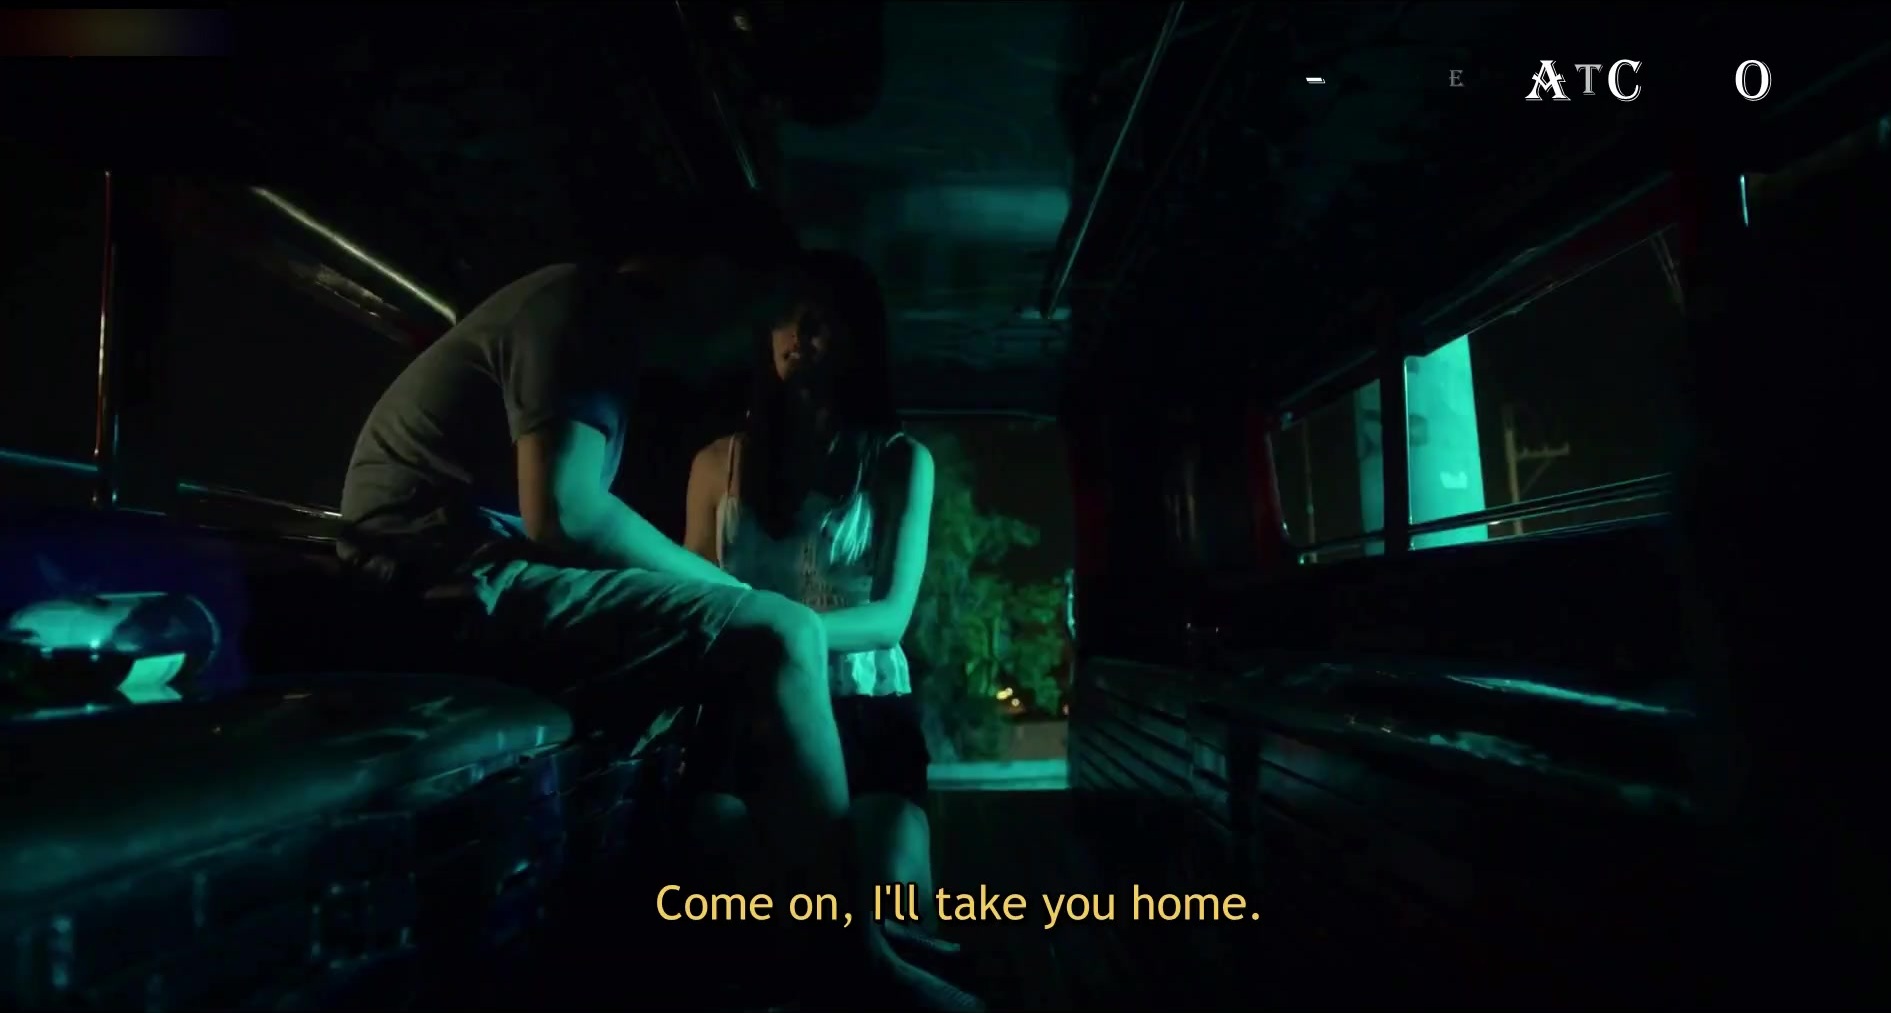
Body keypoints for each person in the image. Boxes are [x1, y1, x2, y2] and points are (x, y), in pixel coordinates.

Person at [336, 195, 980, 1011]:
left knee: (769, 647)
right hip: (440, 576)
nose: (754, 335)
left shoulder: (599, 323)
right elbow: (566, 511)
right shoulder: (582, 308)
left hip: (464, 567)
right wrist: (734, 596)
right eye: (759, 306)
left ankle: (826, 938)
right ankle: (848, 954)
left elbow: (563, 522)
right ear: (714, 275)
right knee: (777, 631)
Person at [682, 250, 962, 970]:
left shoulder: (899, 460)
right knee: (735, 901)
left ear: (856, 336)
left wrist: (781, 631)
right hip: (745, 713)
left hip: (862, 709)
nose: (797, 334)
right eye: (786, 316)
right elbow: (694, 597)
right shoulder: (717, 464)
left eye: (820, 319)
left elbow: (890, 617)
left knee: (891, 885)